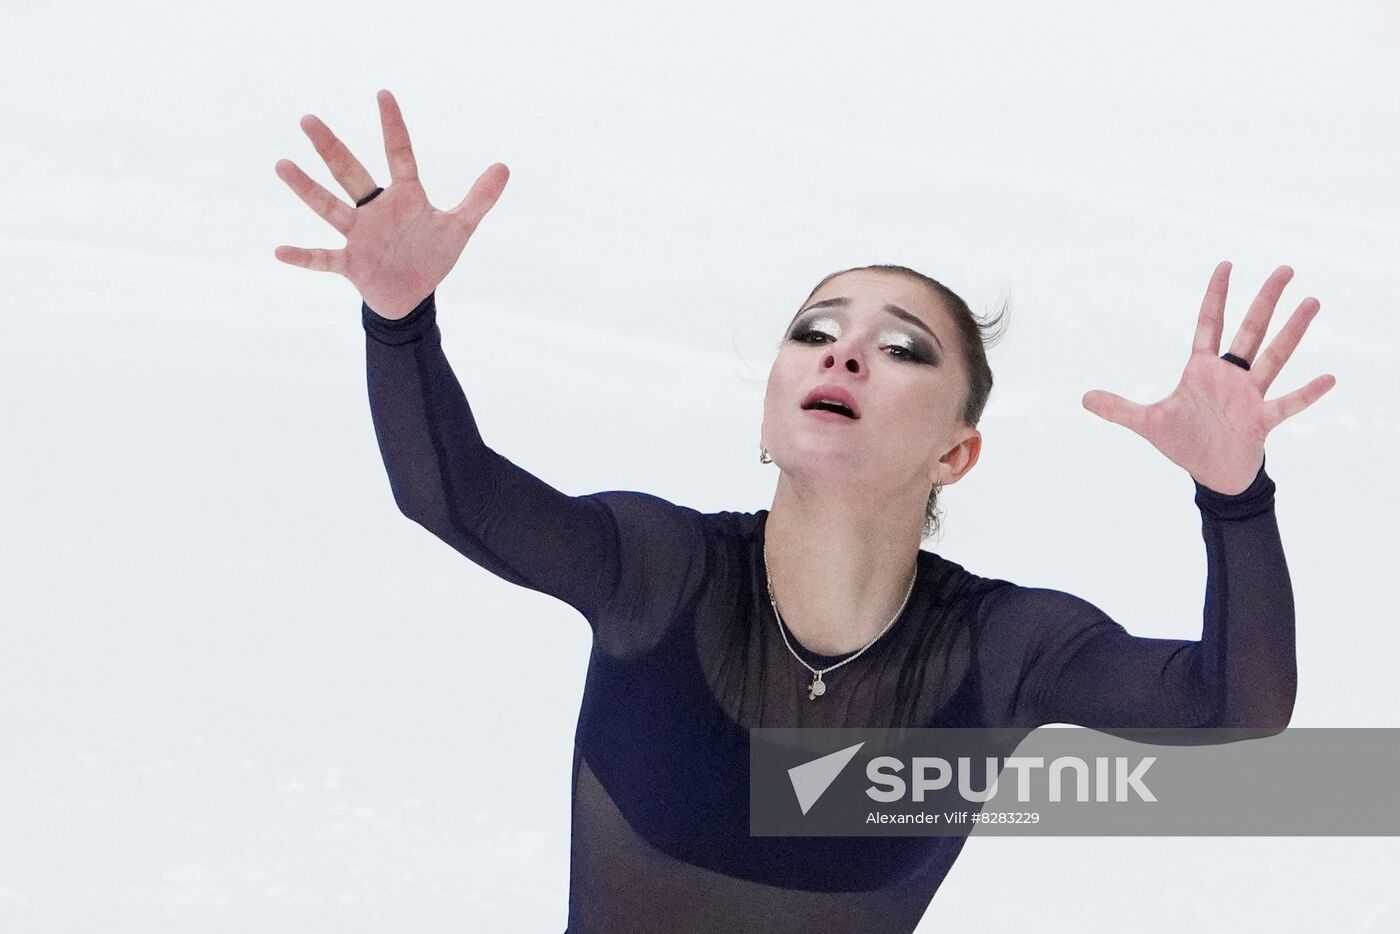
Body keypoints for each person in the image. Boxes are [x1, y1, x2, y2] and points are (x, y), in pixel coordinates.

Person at [275, 90, 1337, 933]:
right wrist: (400, 323)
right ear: (769, 413)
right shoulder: (659, 568)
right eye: (815, 332)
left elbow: (1235, 709)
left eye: (902, 347)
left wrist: (1233, 497)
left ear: (954, 453)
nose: (844, 352)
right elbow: (449, 494)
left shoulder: (1003, 648)